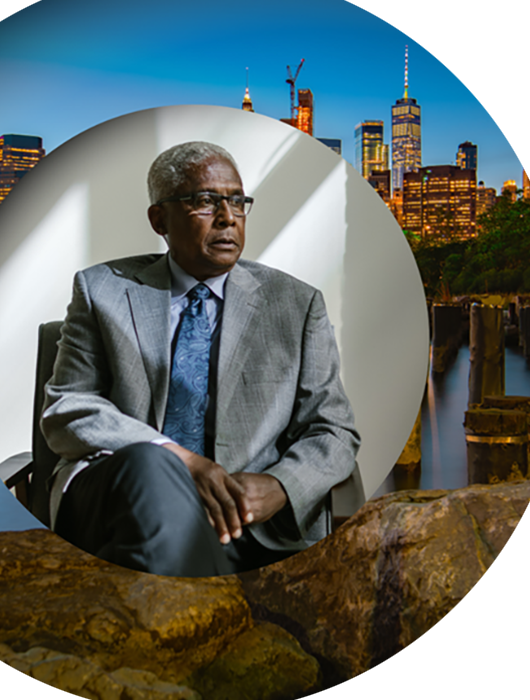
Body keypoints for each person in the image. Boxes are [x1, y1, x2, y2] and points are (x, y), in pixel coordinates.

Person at [40, 141, 360, 577]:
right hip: (118, 497)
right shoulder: (103, 291)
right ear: (160, 219)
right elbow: (68, 408)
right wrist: (180, 460)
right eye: (206, 201)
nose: (228, 217)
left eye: (237, 201)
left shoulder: (296, 305)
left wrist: (281, 487)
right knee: (152, 465)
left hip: (244, 523)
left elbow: (333, 429)